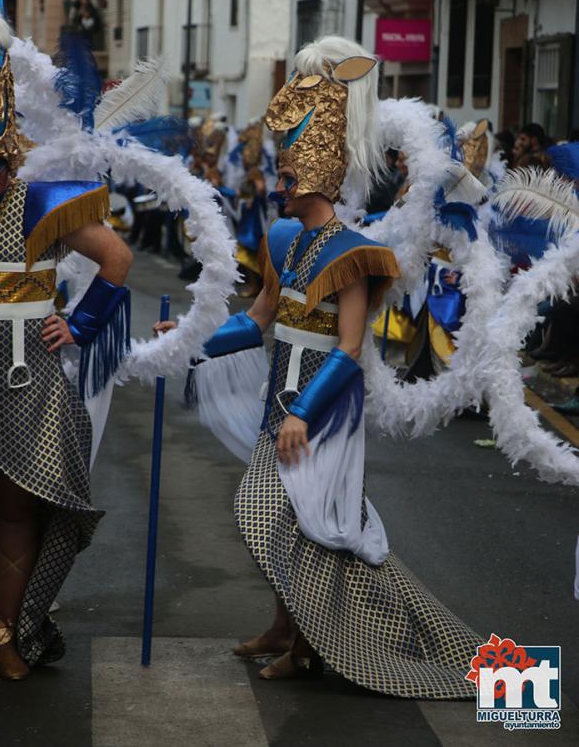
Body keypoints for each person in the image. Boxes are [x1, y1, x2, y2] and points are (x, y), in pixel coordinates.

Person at [157, 37, 480, 698]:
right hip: (284, 397)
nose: (277, 179)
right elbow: (259, 318)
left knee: (282, 517)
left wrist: (305, 412)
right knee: (281, 520)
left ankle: (310, 644)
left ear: (324, 174)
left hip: (323, 410)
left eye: (289, 169)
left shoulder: (357, 254)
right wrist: (191, 340)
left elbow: (351, 348)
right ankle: (286, 628)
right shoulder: (281, 238)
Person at [0, 4, 132, 680]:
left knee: (17, 515)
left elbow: (117, 258)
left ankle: (4, 635)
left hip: (22, 377)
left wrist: (81, 324)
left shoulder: (41, 201)